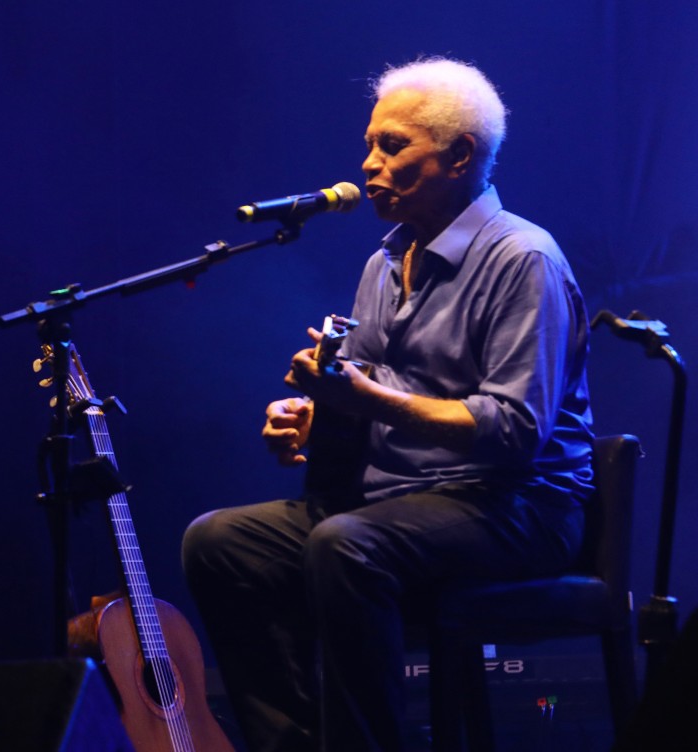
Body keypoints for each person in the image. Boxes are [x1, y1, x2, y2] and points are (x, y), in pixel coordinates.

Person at [181, 58, 594, 751]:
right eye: (370, 144)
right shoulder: (385, 261)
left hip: (514, 507)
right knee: (220, 542)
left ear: (459, 156)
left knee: (347, 545)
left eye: (392, 146)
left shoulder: (524, 258)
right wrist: (315, 414)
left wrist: (367, 397)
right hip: (402, 500)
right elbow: (373, 389)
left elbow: (514, 430)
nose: (368, 164)